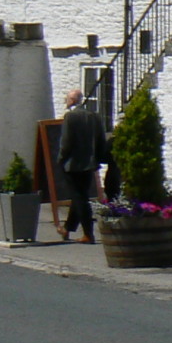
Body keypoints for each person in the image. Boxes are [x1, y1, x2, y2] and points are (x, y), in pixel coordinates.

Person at [56, 88, 110, 243]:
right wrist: (99, 158)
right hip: (89, 163)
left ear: (72, 100)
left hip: (73, 164)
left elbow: (66, 142)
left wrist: (60, 159)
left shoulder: (70, 117)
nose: (66, 102)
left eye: (67, 99)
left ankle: (88, 234)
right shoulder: (94, 116)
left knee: (80, 198)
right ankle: (67, 228)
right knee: (79, 196)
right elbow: (100, 139)